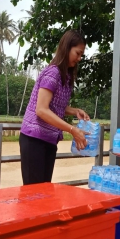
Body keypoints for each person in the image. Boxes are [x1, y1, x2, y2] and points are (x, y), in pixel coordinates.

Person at [19, 30, 90, 185]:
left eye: (81, 55)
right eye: (77, 53)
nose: (79, 59)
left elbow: (55, 106)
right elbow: (41, 110)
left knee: (44, 192)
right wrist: (72, 130)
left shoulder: (66, 75)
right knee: (34, 194)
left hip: (49, 140)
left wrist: (74, 111)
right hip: (34, 139)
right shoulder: (53, 73)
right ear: (67, 48)